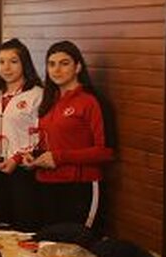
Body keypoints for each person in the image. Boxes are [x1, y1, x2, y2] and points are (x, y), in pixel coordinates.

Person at [24, 41, 113, 229]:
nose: (57, 70)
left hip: (79, 187)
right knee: (47, 242)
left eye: (64, 63)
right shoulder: (49, 100)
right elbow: (49, 142)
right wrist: (34, 156)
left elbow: (105, 152)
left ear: (78, 67)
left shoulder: (91, 101)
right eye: (51, 64)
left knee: (75, 242)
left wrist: (59, 157)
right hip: (46, 185)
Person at [0, 39, 43, 230]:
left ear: (25, 63)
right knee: (1, 226)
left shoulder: (37, 94)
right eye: (1, 62)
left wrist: (17, 158)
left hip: (24, 170)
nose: (6, 67)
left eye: (13, 61)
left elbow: (40, 134)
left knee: (24, 226)